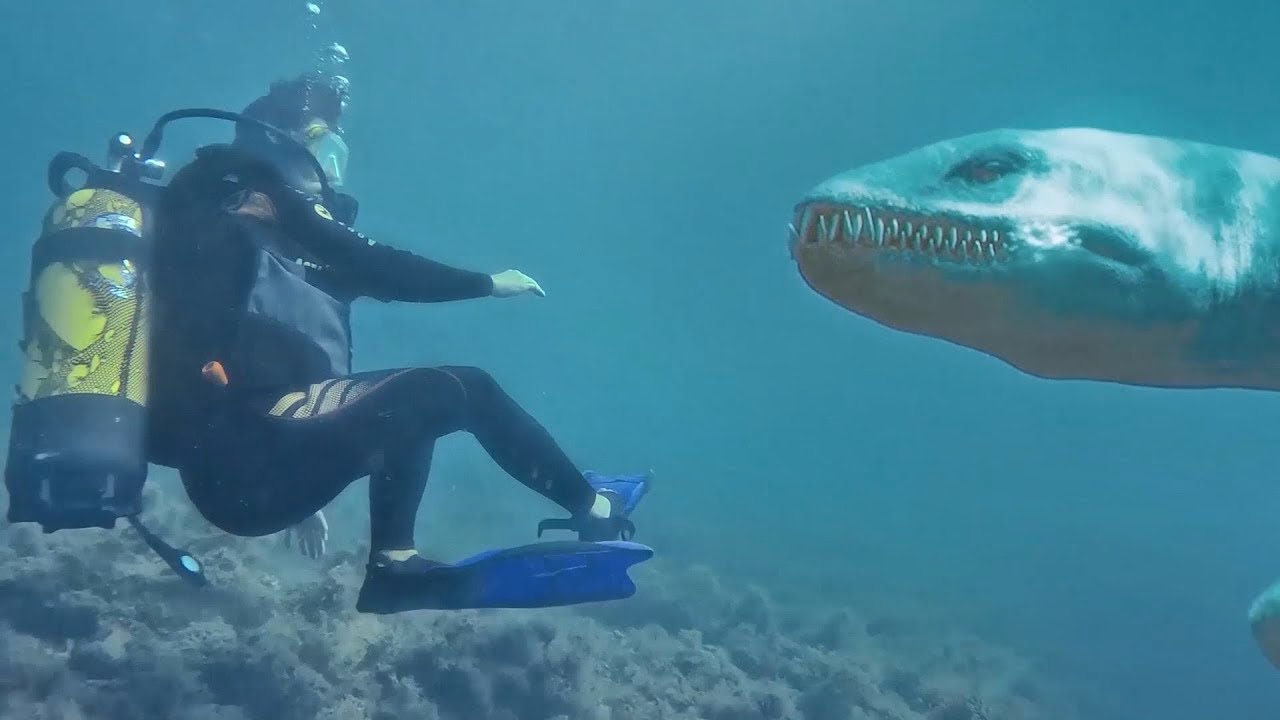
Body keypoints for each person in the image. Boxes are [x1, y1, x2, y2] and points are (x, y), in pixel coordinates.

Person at [147, 73, 650, 610]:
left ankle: (396, 566)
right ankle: (594, 512)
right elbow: (380, 267)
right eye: (323, 140)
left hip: (256, 467)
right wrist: (487, 283)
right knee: (463, 389)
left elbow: (310, 371)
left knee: (405, 402)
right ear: (278, 139)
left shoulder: (278, 244)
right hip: (238, 457)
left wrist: (302, 475)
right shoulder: (239, 191)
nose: (333, 164)